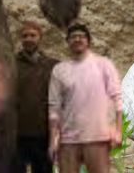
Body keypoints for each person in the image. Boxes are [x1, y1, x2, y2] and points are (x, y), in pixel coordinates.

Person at [48, 23, 121, 173]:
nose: (77, 39)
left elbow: (117, 100)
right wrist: (54, 138)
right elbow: (54, 107)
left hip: (97, 136)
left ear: (88, 40)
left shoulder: (103, 65)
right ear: (67, 42)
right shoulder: (60, 70)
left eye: (81, 36)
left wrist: (117, 130)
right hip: (68, 139)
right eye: (73, 37)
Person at [15, 21, 58, 173]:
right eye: (25, 35)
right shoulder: (11, 64)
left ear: (40, 38)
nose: (28, 39)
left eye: (33, 35)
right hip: (16, 134)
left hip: (43, 134)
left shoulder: (52, 66)